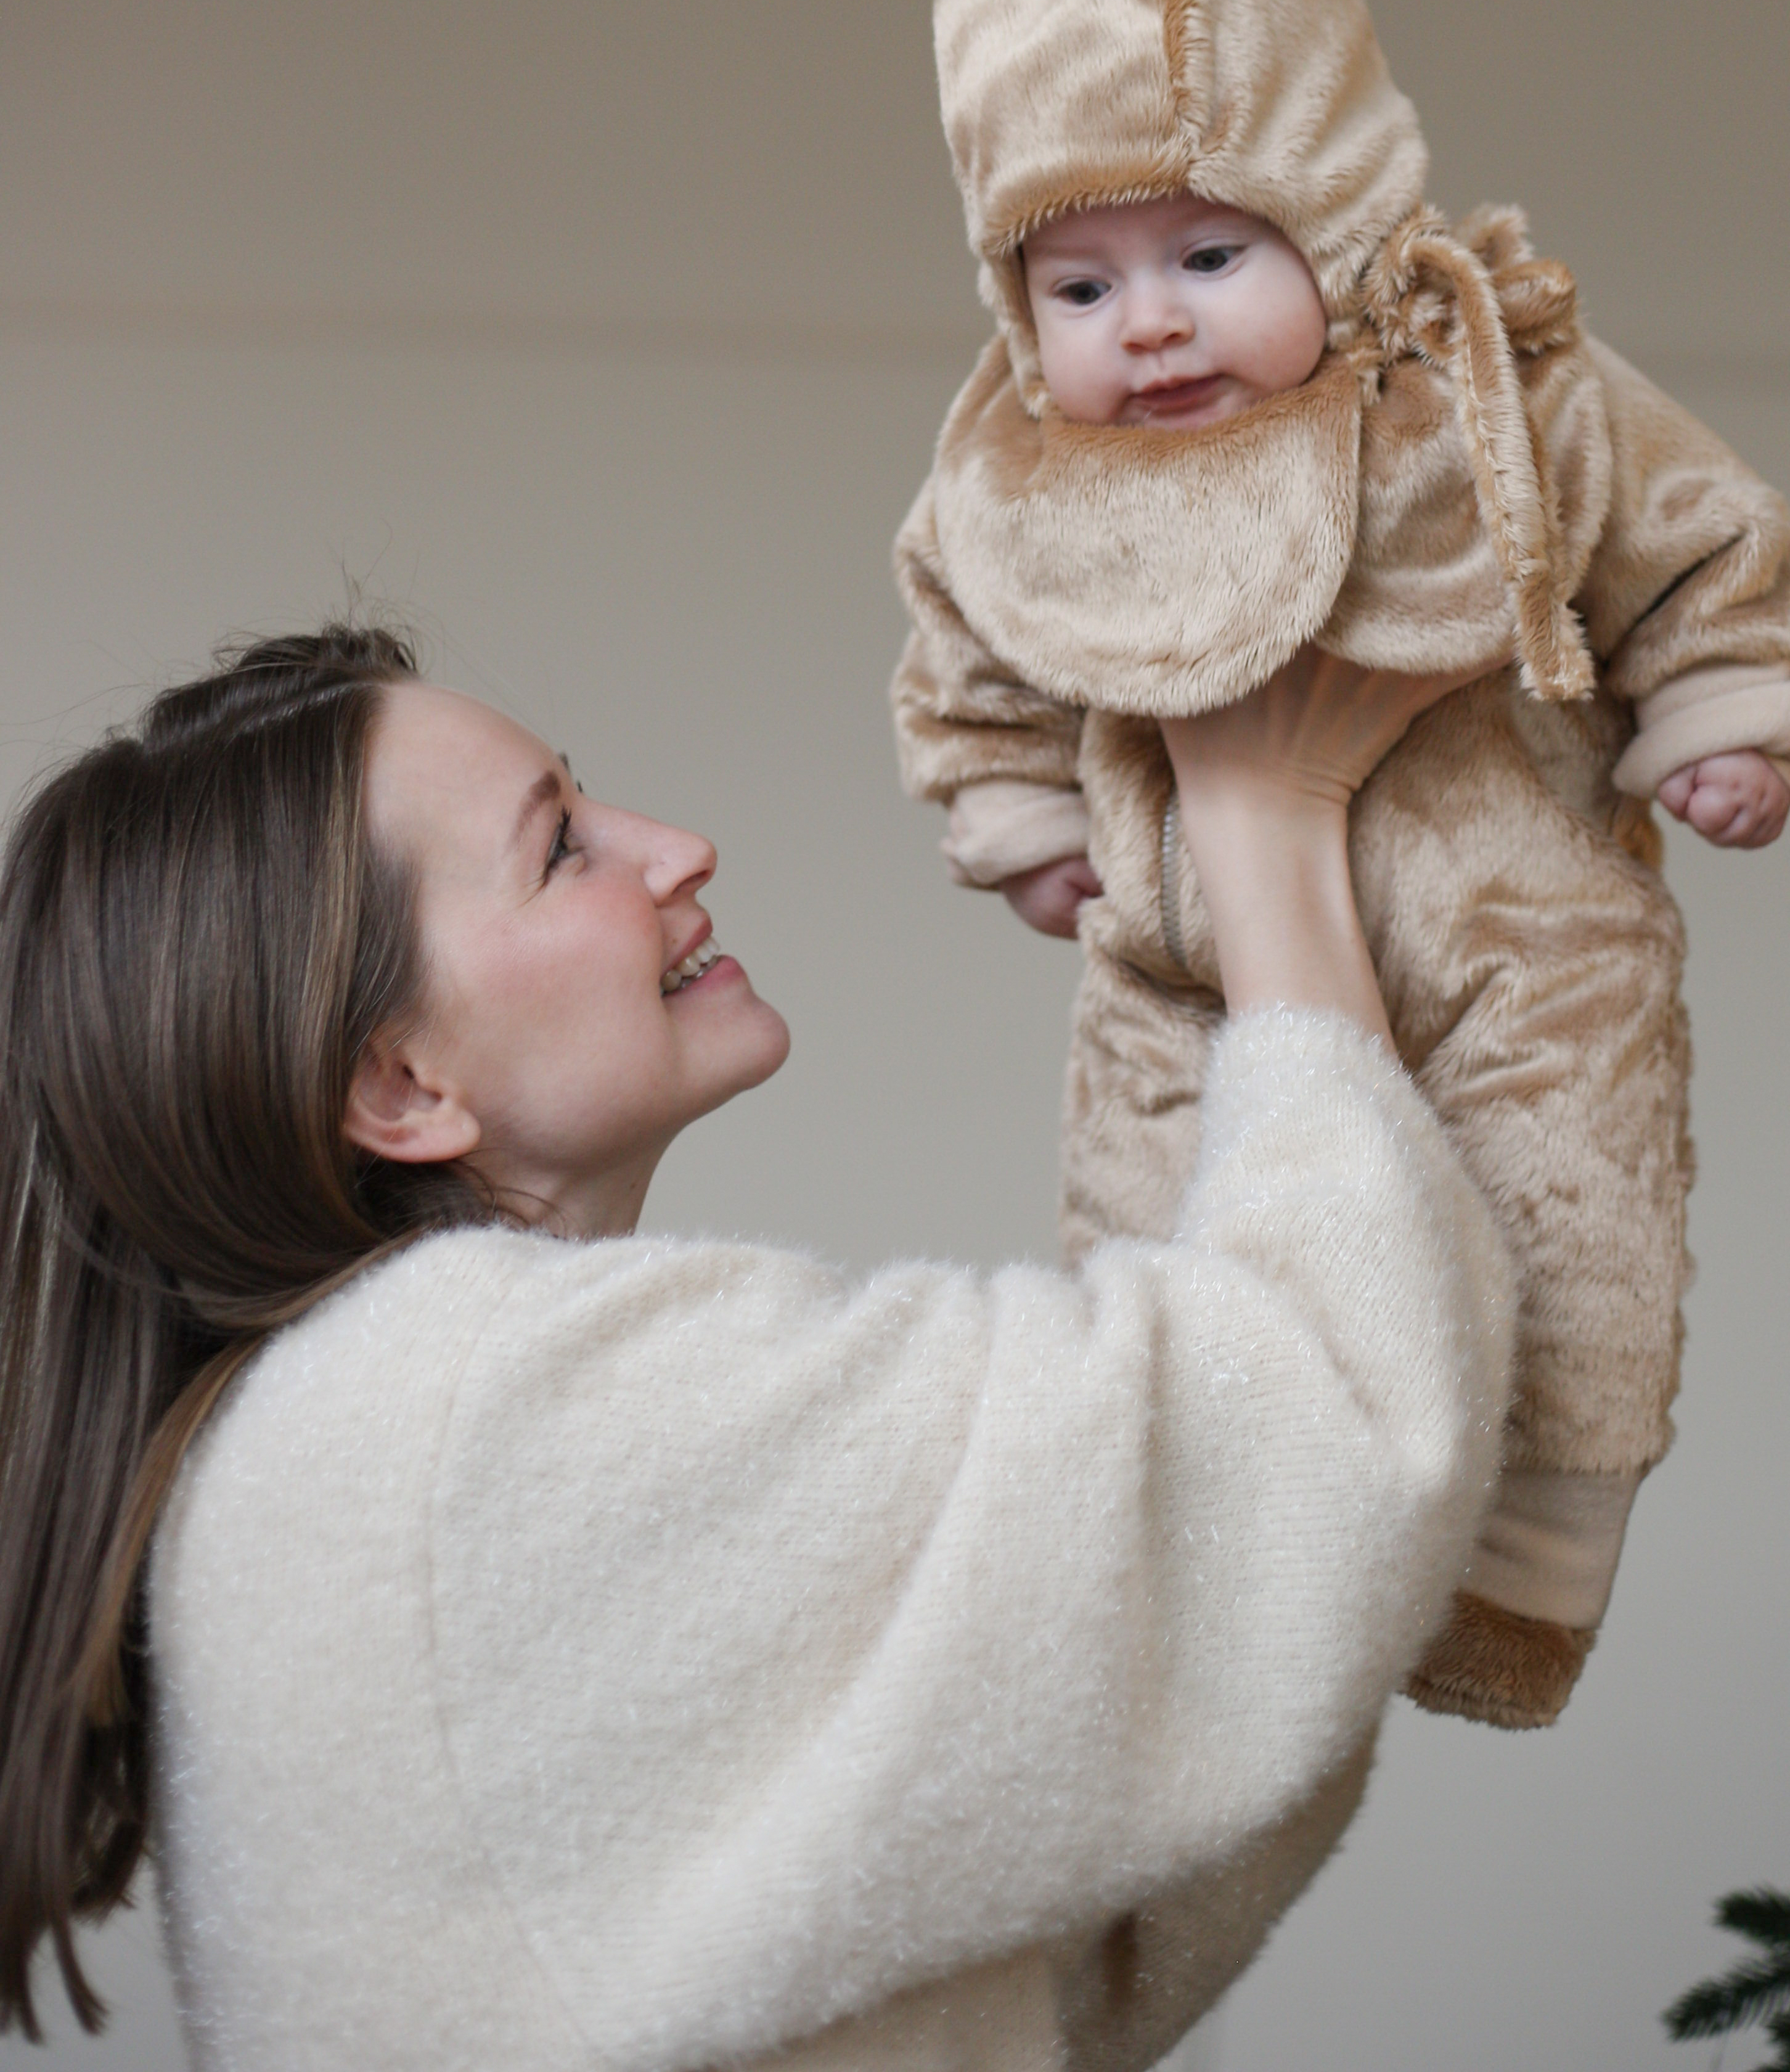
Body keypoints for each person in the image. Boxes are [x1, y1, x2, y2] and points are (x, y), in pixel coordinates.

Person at [0, 620, 1508, 2069]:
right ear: (401, 1085)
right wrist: (1267, 825)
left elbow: (1065, 1870)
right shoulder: (476, 1413)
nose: (675, 848)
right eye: (563, 848)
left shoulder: (347, 1433)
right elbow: (1301, 1454)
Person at [894, 0, 1790, 1730]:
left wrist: (1725, 703)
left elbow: (1687, 531)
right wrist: (1022, 821)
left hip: (1514, 927)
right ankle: (1197, 1564)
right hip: (1186, 971)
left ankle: (1514, 1584)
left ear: (1341, 222)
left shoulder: (1491, 379)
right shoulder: (1019, 477)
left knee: (1574, 1219)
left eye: (1210, 260)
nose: (1145, 325)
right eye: (1080, 286)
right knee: (1151, 1236)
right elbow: (962, 643)